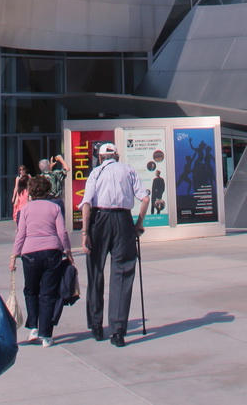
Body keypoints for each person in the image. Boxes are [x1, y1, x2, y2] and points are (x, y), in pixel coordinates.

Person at [81, 142, 149, 346]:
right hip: (123, 219)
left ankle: (96, 326)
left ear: (101, 157)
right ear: (116, 156)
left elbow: (86, 203)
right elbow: (145, 199)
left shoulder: (96, 173)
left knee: (95, 270)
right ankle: (118, 331)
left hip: (99, 219)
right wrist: (138, 223)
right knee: (123, 271)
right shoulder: (128, 170)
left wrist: (85, 232)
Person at [9, 173, 73, 347]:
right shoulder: (55, 208)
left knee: (31, 291)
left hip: (29, 253)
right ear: (48, 190)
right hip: (52, 251)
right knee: (48, 293)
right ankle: (46, 335)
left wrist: (14, 255)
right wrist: (68, 251)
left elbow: (21, 234)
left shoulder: (25, 210)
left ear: (31, 191)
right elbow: (62, 232)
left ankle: (33, 328)